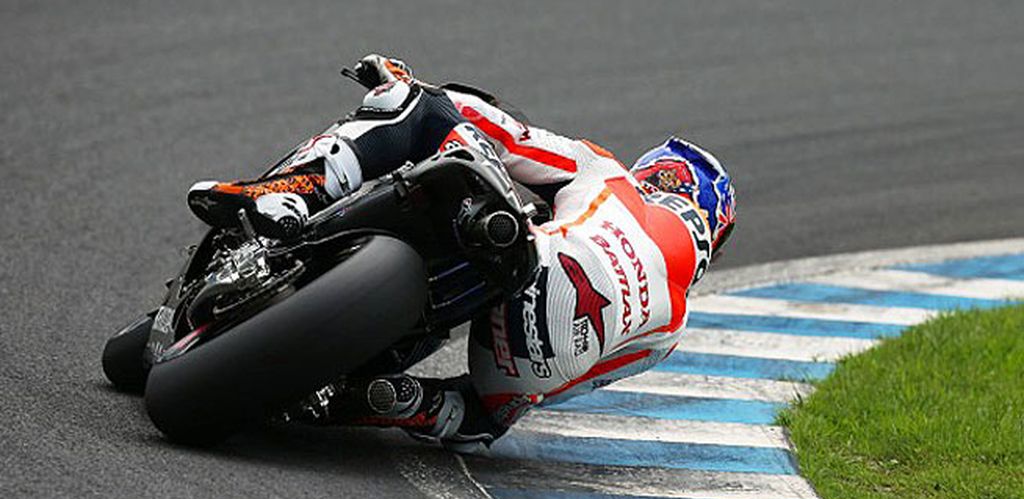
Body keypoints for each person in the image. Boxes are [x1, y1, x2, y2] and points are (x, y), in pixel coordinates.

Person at [187, 54, 737, 450]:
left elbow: (512, 138)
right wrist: (505, 402)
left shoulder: (613, 176)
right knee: (485, 419)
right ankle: (407, 402)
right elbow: (583, 377)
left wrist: (425, 91)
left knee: (420, 108)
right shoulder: (671, 329)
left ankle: (292, 193)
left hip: (534, 260)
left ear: (660, 177)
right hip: (526, 366)